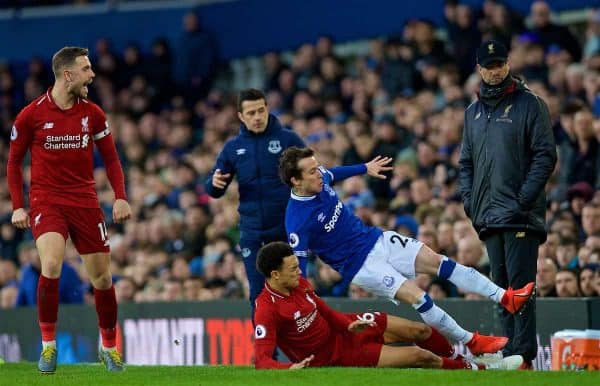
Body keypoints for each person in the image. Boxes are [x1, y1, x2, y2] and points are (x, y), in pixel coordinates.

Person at [279, 147, 534, 356]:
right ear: (296, 180)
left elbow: (333, 173)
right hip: (362, 267)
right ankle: (471, 341)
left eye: (316, 167)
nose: (319, 174)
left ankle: (505, 297)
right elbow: (298, 269)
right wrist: (303, 301)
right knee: (419, 297)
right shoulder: (297, 222)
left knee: (439, 262)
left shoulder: (319, 178)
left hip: (376, 238)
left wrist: (364, 168)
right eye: (312, 172)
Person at [7, 46, 131, 373]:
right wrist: (19, 206)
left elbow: (112, 158)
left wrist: (120, 196)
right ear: (68, 75)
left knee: (102, 278)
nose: (92, 74)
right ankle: (48, 348)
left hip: (86, 201)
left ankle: (109, 348)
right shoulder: (31, 115)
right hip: (47, 200)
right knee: (50, 263)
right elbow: (14, 161)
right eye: (87, 69)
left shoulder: (93, 113)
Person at [253, 241, 524, 370]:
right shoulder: (266, 308)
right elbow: (263, 360)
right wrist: (289, 368)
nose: (298, 271)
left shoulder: (299, 283)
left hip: (348, 326)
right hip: (334, 356)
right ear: (274, 275)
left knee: (421, 331)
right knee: (421, 357)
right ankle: (481, 370)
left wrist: (350, 324)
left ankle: (466, 356)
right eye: (291, 269)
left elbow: (324, 312)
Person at [458, 40, 557, 369]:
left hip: (520, 217)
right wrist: (470, 203)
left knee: (520, 286)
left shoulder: (530, 104)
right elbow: (466, 164)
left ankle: (524, 356)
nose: (495, 70)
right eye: (489, 65)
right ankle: (510, 354)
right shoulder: (472, 113)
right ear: (479, 68)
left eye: (500, 63)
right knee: (500, 290)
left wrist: (523, 200)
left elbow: (545, 155)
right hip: (488, 216)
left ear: (508, 64)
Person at [204, 89, 305, 313]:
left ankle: (300, 345)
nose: (257, 117)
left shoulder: (288, 139)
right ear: (241, 116)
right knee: (259, 294)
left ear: (268, 108)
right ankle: (266, 348)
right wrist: (215, 183)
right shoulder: (232, 148)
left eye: (261, 110)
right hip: (253, 231)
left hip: (286, 229)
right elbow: (213, 186)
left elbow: (313, 173)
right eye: (251, 113)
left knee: (294, 289)